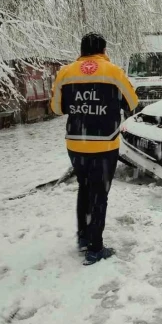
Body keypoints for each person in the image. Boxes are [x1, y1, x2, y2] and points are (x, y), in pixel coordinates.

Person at [50, 33, 138, 265]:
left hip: (76, 143)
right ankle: (95, 248)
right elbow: (133, 103)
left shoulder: (65, 73)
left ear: (81, 50)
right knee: (100, 193)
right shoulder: (114, 72)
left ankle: (83, 237)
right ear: (103, 49)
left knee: (84, 188)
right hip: (104, 143)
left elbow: (57, 109)